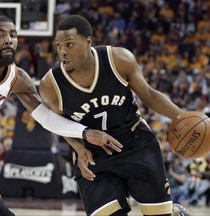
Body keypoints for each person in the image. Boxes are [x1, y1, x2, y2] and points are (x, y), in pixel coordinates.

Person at [0, 15, 123, 216]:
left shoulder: (17, 78)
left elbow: (46, 118)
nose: (8, 39)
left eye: (13, 35)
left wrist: (84, 134)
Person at [38, 15, 191, 216]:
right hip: (94, 155)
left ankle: (173, 212)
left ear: (88, 42)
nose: (62, 52)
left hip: (136, 144)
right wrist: (78, 148)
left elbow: (148, 94)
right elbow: (60, 124)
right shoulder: (51, 85)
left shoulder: (118, 60)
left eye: (69, 44)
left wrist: (183, 117)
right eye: (58, 45)